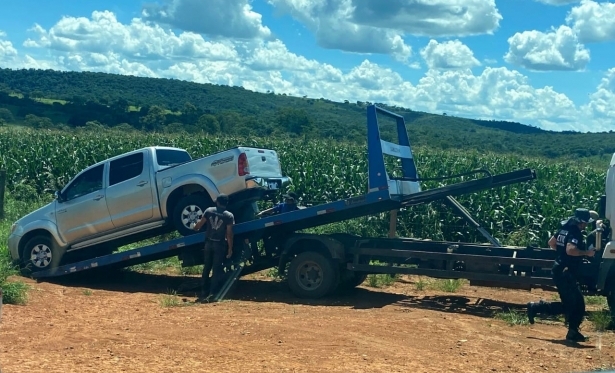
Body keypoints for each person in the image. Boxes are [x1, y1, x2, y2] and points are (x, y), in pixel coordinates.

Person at [527, 208, 597, 342]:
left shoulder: (564, 229)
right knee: (571, 305)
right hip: (566, 273)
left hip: (561, 270)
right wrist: (586, 253)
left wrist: (561, 255)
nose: (586, 225)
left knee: (578, 303)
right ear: (581, 222)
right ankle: (536, 307)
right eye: (585, 223)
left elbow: (551, 243)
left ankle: (573, 331)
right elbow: (571, 250)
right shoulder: (575, 232)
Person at [192, 193, 234, 301]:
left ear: (217, 202)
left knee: (207, 267)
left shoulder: (209, 211)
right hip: (220, 244)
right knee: (216, 269)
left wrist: (194, 227)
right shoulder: (229, 216)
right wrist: (230, 248)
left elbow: (199, 225)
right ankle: (212, 293)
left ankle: (203, 291)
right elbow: (229, 234)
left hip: (208, 243)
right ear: (227, 203)